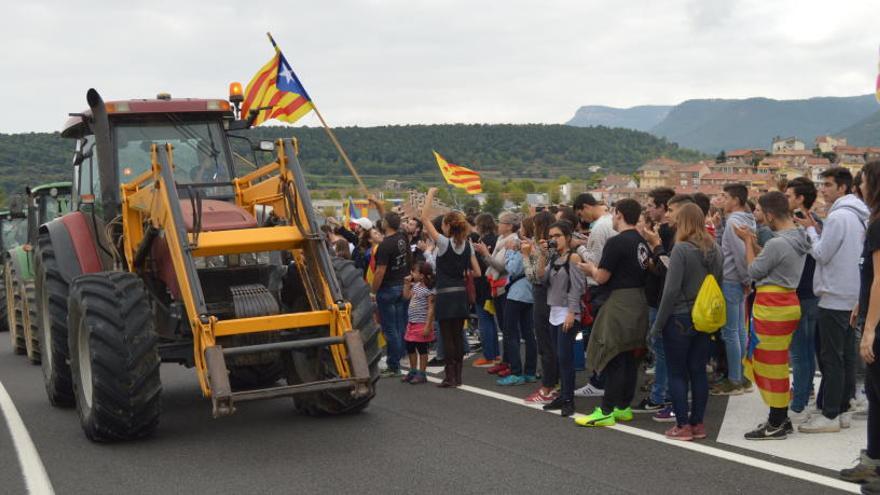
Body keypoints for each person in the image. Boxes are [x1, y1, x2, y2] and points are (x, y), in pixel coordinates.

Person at [797, 167, 869, 434]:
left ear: (842, 188)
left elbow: (822, 254)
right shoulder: (861, 214)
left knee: (831, 358)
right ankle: (843, 408)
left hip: (834, 295)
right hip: (853, 294)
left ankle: (830, 415)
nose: (823, 189)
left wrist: (811, 233)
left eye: (828, 185)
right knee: (846, 355)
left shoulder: (838, 216)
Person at [734, 192, 810, 440]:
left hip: (772, 307)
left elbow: (754, 270)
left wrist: (746, 242)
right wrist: (755, 244)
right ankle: (781, 418)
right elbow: (772, 259)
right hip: (788, 301)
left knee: (771, 365)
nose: (757, 216)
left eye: (759, 212)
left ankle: (776, 421)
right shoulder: (798, 235)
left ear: (769, 214)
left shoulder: (778, 242)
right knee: (777, 362)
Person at [649, 203, 723, 440]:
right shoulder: (715, 249)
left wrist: (657, 325)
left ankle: (682, 425)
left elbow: (670, 291)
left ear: (683, 223)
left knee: (677, 373)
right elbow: (718, 284)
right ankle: (698, 424)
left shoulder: (681, 249)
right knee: (698, 372)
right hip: (704, 317)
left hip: (679, 317)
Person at [576, 199, 650, 427]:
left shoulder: (616, 242)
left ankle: (607, 409)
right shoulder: (641, 241)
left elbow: (601, 277)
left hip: (619, 302)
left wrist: (589, 268)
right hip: (639, 301)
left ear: (618, 214)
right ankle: (623, 406)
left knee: (613, 355)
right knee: (629, 356)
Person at [839, 161, 880, 490]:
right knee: (875, 395)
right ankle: (873, 462)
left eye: (863, 182)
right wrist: (860, 303)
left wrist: (869, 330)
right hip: (872, 312)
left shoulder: (879, 223)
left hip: (879, 324)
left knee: (878, 392)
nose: (859, 188)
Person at [422, 188, 481, 387]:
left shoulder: (444, 243)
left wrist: (430, 194)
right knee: (457, 336)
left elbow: (424, 218)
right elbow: (478, 272)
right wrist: (463, 273)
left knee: (446, 338)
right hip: (461, 295)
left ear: (447, 226)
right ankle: (459, 376)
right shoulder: (468, 245)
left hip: (445, 295)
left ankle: (450, 377)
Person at [634, 188, 678, 414]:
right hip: (656, 296)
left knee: (662, 350)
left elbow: (666, 268)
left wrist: (654, 246)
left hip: (662, 299)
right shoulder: (662, 231)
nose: (648, 209)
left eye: (652, 205)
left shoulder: (669, 233)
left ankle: (660, 395)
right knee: (661, 349)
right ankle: (666, 393)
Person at [537, 221, 585, 417]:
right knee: (558, 356)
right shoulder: (555, 257)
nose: (553, 239)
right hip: (554, 311)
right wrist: (542, 255)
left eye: (557, 236)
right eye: (551, 236)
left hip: (567, 312)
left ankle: (568, 399)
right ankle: (563, 395)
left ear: (567, 237)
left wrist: (572, 313)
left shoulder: (573, 257)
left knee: (565, 358)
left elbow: (578, 287)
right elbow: (541, 279)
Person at [784, 177, 822, 420]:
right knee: (807, 349)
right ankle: (805, 392)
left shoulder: (799, 224)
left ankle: (798, 404)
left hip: (801, 292)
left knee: (799, 352)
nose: (786, 200)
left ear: (800, 199)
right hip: (813, 292)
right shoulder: (817, 222)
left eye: (789, 196)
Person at [713, 183, 756, 396]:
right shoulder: (747, 220)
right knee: (739, 330)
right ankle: (741, 375)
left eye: (726, 197)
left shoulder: (734, 223)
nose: (723, 200)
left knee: (731, 332)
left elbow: (740, 255)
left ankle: (735, 379)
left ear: (736, 200)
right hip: (738, 279)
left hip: (732, 279)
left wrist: (746, 279)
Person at [573, 193, 617, 397]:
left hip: (601, 287)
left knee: (599, 338)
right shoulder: (608, 221)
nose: (582, 219)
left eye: (581, 214)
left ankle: (599, 382)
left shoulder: (599, 227)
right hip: (612, 287)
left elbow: (596, 261)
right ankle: (605, 380)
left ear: (585, 207)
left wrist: (579, 246)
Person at [475, 212, 519, 377]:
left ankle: (512, 364)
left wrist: (485, 254)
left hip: (504, 288)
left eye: (500, 222)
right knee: (503, 326)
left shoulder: (513, 241)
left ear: (509, 226)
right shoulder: (501, 240)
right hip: (496, 287)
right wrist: (486, 254)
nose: (497, 225)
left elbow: (503, 267)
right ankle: (505, 361)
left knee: (508, 328)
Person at [522, 211, 560, 404]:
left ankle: (547, 388)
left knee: (545, 343)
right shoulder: (558, 245)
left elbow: (534, 276)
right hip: (558, 296)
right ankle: (557, 383)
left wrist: (526, 255)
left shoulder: (541, 248)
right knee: (555, 342)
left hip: (542, 295)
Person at [372, 212, 411, 378]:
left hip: (388, 288)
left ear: (386, 224)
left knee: (390, 329)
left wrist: (373, 290)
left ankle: (393, 365)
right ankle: (399, 355)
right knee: (400, 325)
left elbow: (380, 271)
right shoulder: (402, 237)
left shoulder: (385, 245)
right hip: (402, 285)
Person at [497, 229, 536, 386]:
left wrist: (509, 252)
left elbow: (512, 269)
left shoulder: (521, 249)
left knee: (510, 333)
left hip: (516, 294)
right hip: (530, 294)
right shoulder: (535, 247)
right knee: (529, 334)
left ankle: (516, 372)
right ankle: (530, 372)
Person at [471, 213, 501, 367]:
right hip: (494, 284)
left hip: (483, 285)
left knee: (485, 321)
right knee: (491, 321)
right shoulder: (497, 240)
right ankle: (495, 355)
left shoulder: (482, 242)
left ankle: (490, 355)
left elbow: (479, 266)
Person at [402, 261, 436, 385]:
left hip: (421, 323)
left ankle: (422, 373)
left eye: (414, 272)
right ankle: (412, 370)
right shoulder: (415, 286)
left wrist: (428, 325)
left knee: (422, 349)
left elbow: (431, 308)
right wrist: (406, 284)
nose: (411, 273)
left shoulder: (429, 289)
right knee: (410, 347)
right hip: (412, 322)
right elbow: (406, 297)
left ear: (422, 275)